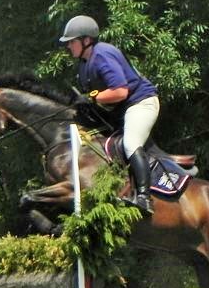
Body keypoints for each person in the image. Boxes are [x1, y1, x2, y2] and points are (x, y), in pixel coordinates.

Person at [60, 15, 159, 215]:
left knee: (131, 143)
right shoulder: (84, 64)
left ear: (86, 40)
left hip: (141, 103)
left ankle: (144, 198)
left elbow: (120, 91)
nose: (68, 46)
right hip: (121, 110)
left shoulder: (102, 55)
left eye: (71, 41)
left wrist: (92, 98)